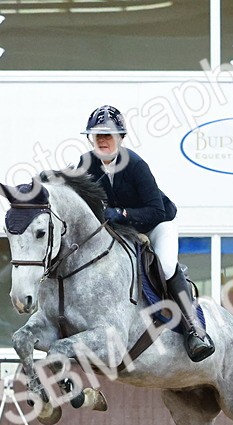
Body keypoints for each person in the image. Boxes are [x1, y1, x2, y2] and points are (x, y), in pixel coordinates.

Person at [73, 105, 214, 362]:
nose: (102, 140)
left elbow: (156, 210)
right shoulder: (85, 164)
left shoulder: (136, 165)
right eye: (97, 135)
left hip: (155, 224)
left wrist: (122, 213)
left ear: (121, 138)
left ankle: (195, 330)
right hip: (120, 231)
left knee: (166, 267)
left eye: (108, 135)